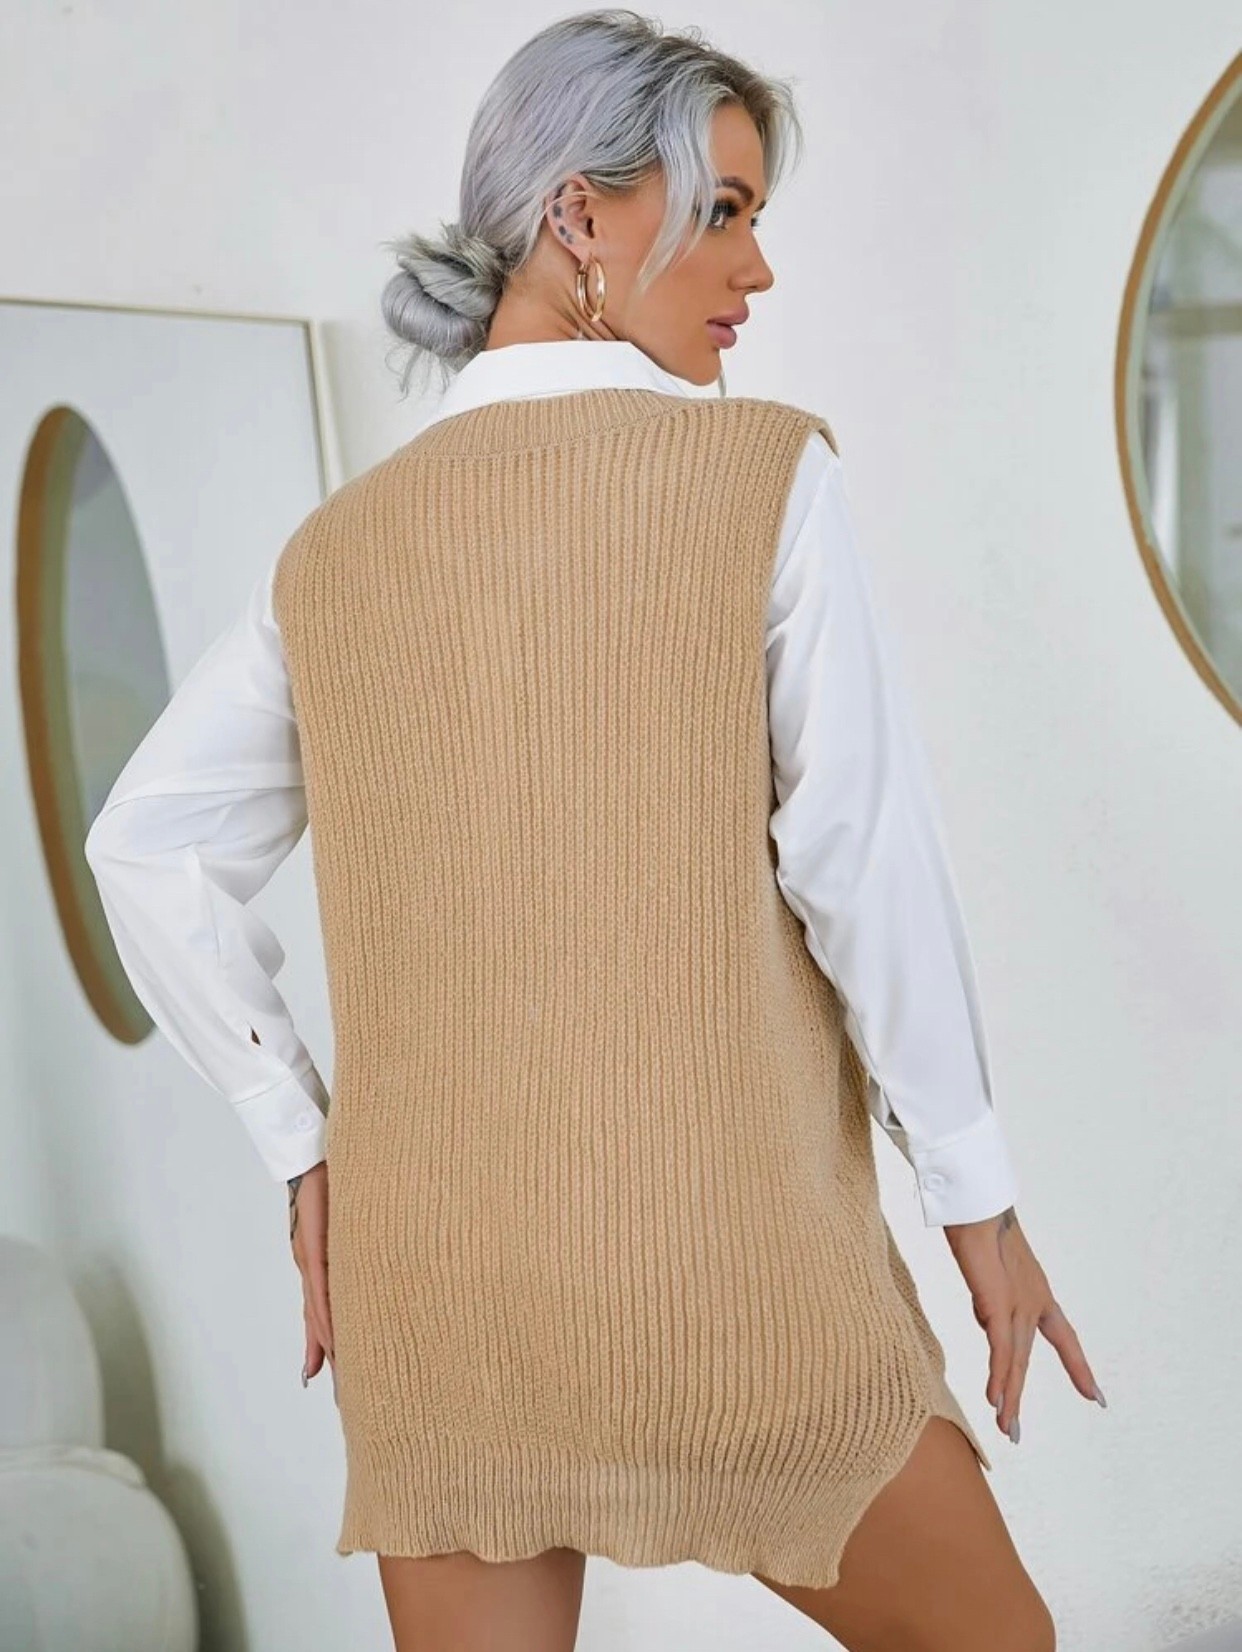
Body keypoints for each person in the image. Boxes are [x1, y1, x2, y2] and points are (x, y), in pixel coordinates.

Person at [84, 11, 1105, 1651]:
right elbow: (860, 865)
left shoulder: (335, 552)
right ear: (579, 212)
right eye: (726, 210)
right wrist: (972, 1198)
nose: (756, 268)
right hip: (727, 1270)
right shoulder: (759, 479)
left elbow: (142, 844)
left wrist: (300, 1143)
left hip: (441, 1300)